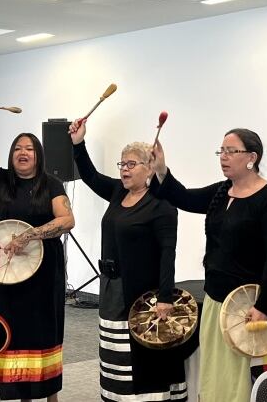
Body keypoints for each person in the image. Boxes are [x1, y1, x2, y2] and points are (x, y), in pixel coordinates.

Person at [150, 128, 267, 402]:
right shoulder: (221, 192)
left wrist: (263, 305)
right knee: (220, 379)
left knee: (255, 382)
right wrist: (162, 169)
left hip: (252, 307)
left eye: (231, 151)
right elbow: (183, 197)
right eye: (221, 151)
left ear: (252, 157)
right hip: (218, 302)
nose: (223, 157)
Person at [0, 101, 74, 402]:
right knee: (4, 329)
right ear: (11, 156)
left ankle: (49, 394)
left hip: (43, 274)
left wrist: (31, 235)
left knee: (42, 331)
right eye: (17, 149)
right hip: (4, 274)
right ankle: (12, 392)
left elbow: (67, 220)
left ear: (38, 155)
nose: (23, 153)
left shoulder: (51, 185)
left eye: (29, 149)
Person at [69, 118, 187, 402]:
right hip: (111, 288)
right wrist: (78, 144)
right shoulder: (118, 192)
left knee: (141, 360)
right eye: (122, 164)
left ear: (149, 169)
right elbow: (90, 176)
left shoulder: (162, 205)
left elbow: (167, 254)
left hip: (142, 293)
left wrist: (166, 296)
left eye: (131, 164)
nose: (124, 170)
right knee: (114, 356)